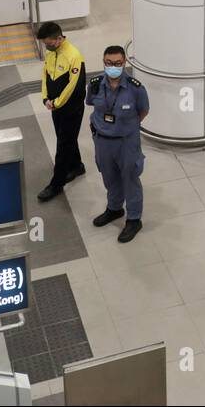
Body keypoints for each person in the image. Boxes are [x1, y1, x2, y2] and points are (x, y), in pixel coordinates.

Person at [87, 45, 148, 243]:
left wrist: (125, 127)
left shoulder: (135, 88)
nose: (113, 67)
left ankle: (134, 219)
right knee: (109, 177)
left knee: (130, 179)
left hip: (126, 142)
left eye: (117, 63)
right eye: (109, 63)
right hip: (103, 141)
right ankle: (114, 209)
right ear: (104, 62)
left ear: (125, 63)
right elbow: (90, 104)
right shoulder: (95, 84)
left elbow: (143, 111)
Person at [36, 21, 87, 202]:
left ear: (59, 38)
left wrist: (56, 103)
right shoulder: (52, 54)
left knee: (63, 145)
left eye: (48, 43)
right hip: (55, 107)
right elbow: (45, 75)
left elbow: (73, 87)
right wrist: (45, 98)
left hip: (71, 109)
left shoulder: (74, 57)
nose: (46, 46)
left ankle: (56, 184)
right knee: (65, 138)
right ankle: (77, 166)